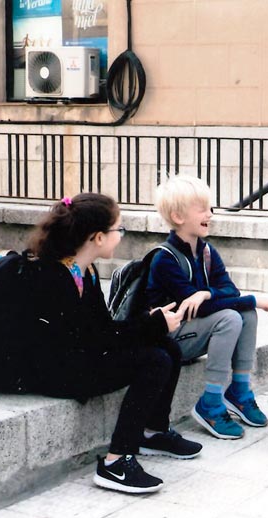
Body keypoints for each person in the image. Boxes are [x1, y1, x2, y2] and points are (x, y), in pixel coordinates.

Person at [24, 194, 202, 495]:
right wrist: (152, 325)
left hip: (73, 358)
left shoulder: (84, 270)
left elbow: (101, 331)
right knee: (154, 360)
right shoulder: (55, 276)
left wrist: (152, 323)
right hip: (54, 372)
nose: (120, 237)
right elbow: (93, 340)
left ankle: (153, 431)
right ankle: (116, 461)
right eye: (118, 230)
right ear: (97, 237)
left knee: (168, 348)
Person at [146, 174, 268, 440]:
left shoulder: (206, 252)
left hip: (194, 333)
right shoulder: (165, 260)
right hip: (169, 340)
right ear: (178, 217)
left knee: (246, 315)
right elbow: (202, 311)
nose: (210, 214)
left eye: (211, 208)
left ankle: (239, 392)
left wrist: (205, 293)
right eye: (202, 209)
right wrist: (250, 299)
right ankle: (211, 403)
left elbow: (229, 291)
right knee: (230, 316)